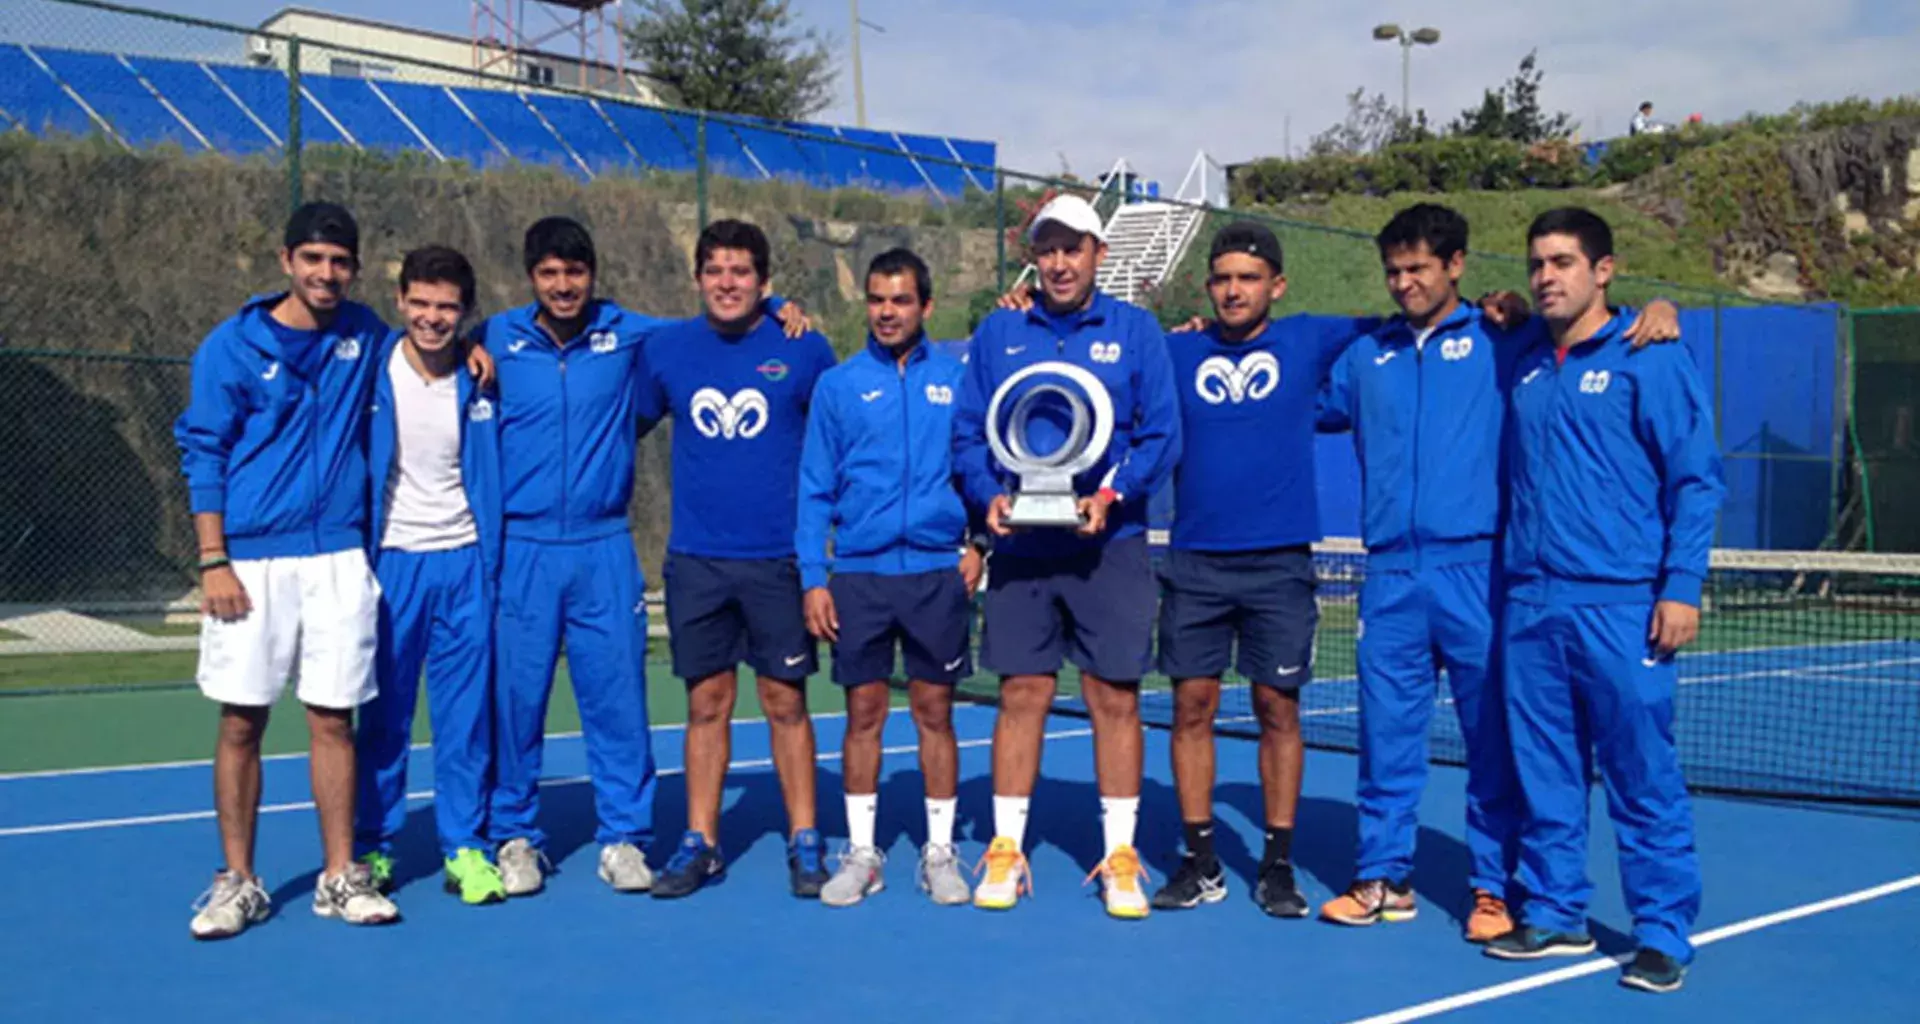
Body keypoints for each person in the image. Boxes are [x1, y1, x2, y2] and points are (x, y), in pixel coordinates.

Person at [1315, 204, 1681, 940]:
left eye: (1419, 267)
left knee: (1496, 741)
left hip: (1479, 572)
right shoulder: (1364, 357)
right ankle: (1383, 876)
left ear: (1456, 266)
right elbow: (1295, 384)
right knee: (1385, 736)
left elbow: (1587, 332)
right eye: (1393, 270)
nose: (1405, 282)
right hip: (1389, 577)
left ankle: (1493, 886)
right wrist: (1201, 336)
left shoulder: (1503, 338)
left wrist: (1659, 308)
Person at [1484, 208, 1722, 996]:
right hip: (1531, 604)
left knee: (1641, 774)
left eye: (1562, 262)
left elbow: (1695, 479)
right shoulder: (1520, 356)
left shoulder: (1649, 355)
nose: (1546, 276)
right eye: (1537, 264)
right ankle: (1555, 911)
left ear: (1604, 270)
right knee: (1545, 772)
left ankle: (1661, 931)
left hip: (1621, 607)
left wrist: (1680, 587)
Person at [952, 194, 1182, 919]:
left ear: (1098, 256)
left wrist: (1111, 496)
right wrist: (989, 498)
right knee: (1022, 695)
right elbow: (966, 434)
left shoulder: (1138, 332)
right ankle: (1005, 850)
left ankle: (1120, 857)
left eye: (1072, 248)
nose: (1058, 262)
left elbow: (1161, 436)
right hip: (1022, 547)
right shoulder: (998, 333)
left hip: (1108, 546)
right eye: (1046, 248)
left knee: (1113, 698)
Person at [176, 201, 400, 937]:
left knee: (334, 718)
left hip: (336, 554)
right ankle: (236, 880)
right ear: (286, 261)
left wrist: (469, 348)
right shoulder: (229, 347)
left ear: (354, 269)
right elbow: (203, 451)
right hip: (250, 560)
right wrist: (214, 559)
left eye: (339, 261)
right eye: (313, 259)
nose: (326, 273)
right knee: (242, 720)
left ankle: (339, 876)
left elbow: (426, 339)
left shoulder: (365, 335)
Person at [1149, 222, 1370, 919]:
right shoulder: (1177, 349)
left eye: (1248, 278)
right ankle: (1200, 860)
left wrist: (1498, 308)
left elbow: (1406, 315)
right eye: (1222, 278)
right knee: (1192, 709)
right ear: (1208, 286)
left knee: (1279, 710)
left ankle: (1276, 865)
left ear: (1276, 285)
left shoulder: (1310, 338)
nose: (1234, 290)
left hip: (1280, 567)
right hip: (1195, 564)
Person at [640, 219, 840, 900]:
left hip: (778, 561)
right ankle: (701, 842)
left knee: (786, 702)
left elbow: (840, 439)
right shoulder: (666, 351)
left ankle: (806, 839)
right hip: (697, 562)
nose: (728, 283)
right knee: (707, 705)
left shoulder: (805, 347)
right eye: (716, 270)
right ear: (697, 278)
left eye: (742, 271)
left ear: (764, 281)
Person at [796, 248, 980, 908]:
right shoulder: (839, 386)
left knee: (936, 712)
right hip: (860, 578)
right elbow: (814, 488)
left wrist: (980, 542)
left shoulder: (959, 379)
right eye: (877, 299)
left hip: (935, 574)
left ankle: (939, 854)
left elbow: (983, 471)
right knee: (863, 713)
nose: (887, 311)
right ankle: (863, 853)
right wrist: (815, 576)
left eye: (900, 300)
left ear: (925, 307)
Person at [351, 245, 507, 906]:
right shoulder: (369, 365)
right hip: (393, 565)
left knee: (464, 719)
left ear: (466, 313)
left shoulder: (480, 376)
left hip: (465, 562)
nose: (433, 318)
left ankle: (465, 847)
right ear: (401, 302)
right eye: (421, 303)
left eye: (447, 307)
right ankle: (373, 846)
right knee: (385, 718)